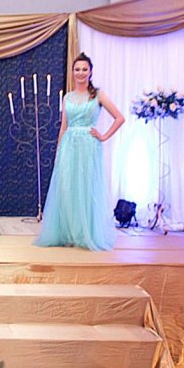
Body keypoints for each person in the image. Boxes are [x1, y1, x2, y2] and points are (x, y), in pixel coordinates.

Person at [35, 52, 124, 251]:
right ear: (72, 72)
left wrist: (104, 136)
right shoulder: (67, 97)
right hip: (68, 145)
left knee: (87, 188)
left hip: (88, 146)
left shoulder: (98, 95)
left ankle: (86, 234)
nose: (80, 73)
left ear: (90, 72)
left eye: (84, 69)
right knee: (68, 189)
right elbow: (63, 127)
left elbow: (119, 118)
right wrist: (59, 151)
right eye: (77, 69)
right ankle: (69, 233)